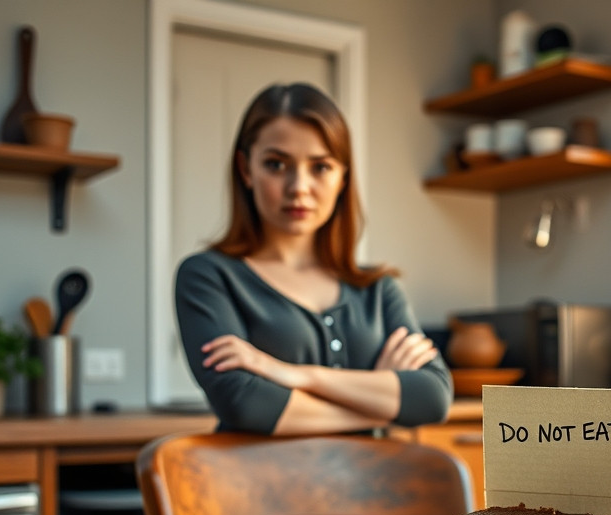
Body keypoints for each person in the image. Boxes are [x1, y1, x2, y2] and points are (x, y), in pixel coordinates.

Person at [175, 83, 451, 436]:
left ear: (342, 177)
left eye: (320, 167)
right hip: (255, 490)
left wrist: (291, 374)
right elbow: (247, 405)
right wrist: (382, 401)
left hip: (374, 489)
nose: (298, 187)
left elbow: (433, 397)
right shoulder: (207, 276)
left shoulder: (378, 290)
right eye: (276, 164)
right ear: (246, 169)